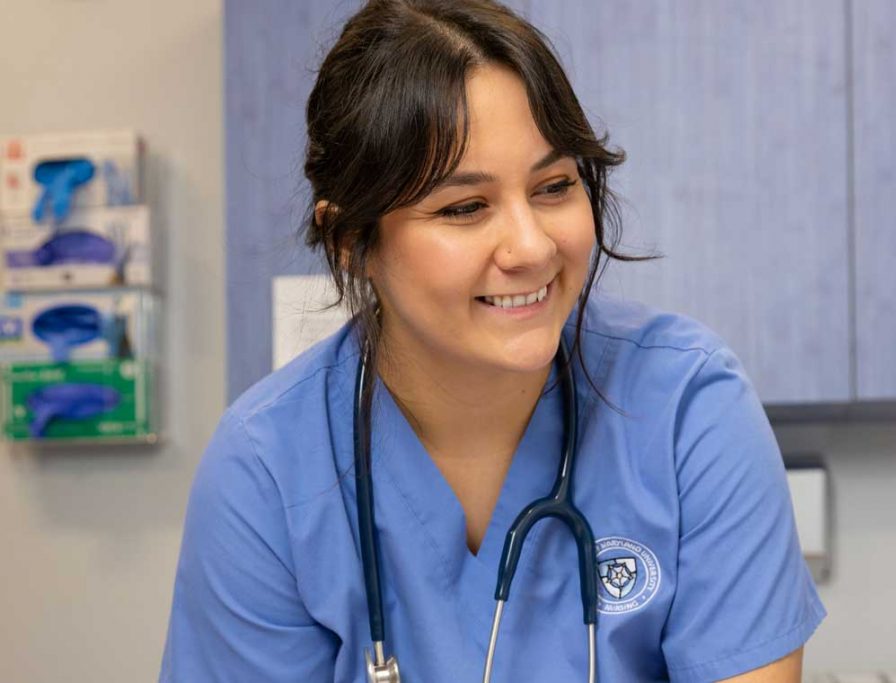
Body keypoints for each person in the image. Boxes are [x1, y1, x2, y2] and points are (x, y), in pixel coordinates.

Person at [159, 0, 826, 681]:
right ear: (351, 241)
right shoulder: (266, 469)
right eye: (464, 207)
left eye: (554, 185)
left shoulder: (687, 405)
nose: (533, 246)